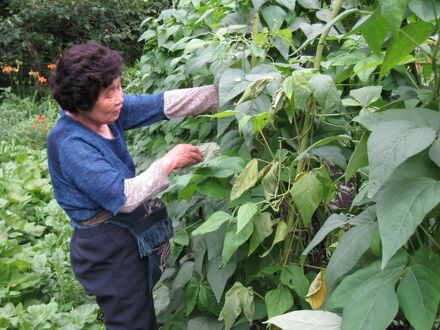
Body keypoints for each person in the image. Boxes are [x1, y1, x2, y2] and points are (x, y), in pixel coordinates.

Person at [47, 41, 218, 329]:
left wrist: (226, 93)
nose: (119, 98)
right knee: (133, 323)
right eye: (108, 93)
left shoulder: (106, 114)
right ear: (81, 101)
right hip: (105, 248)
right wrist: (168, 161)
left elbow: (163, 105)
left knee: (138, 311)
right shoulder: (70, 143)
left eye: (119, 87)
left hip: (120, 234)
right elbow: (124, 196)